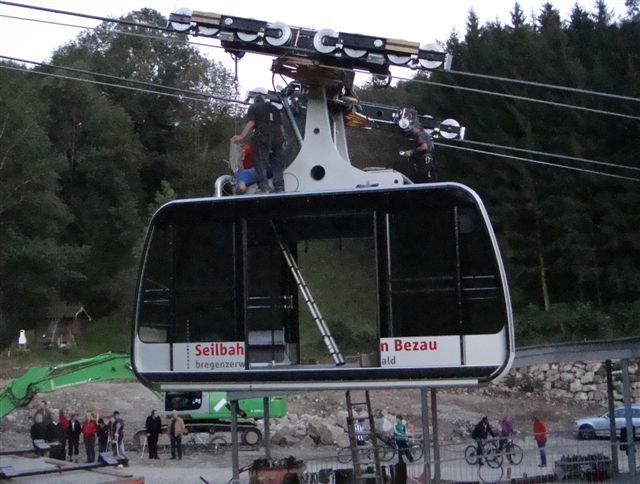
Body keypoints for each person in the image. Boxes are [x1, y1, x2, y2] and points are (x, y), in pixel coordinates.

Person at [231, 89, 286, 194]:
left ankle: (264, 188)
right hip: (277, 138)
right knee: (277, 164)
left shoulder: (254, 107)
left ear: (255, 100)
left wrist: (241, 136)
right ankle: (280, 187)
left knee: (260, 162)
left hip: (262, 137)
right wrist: (283, 140)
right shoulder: (275, 109)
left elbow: (251, 123)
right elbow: (281, 127)